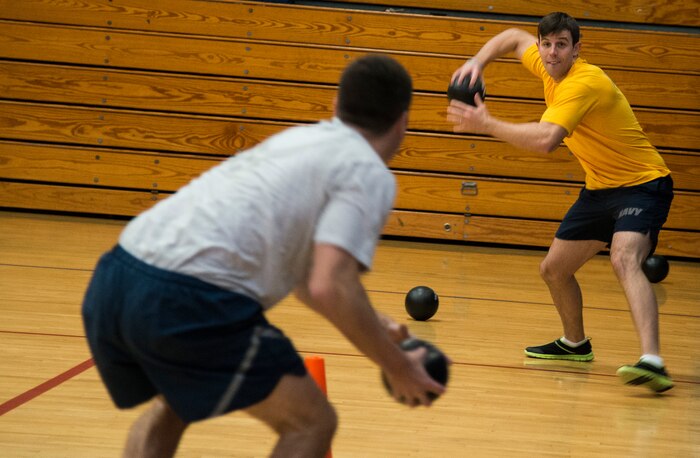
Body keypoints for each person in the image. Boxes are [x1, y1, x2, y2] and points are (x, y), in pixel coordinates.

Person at [82, 54, 446, 458]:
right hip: (188, 298)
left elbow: (309, 278)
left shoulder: (301, 140)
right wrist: (397, 366)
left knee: (176, 399)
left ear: (336, 107)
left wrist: (375, 323)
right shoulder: (367, 169)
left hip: (116, 274)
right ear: (402, 122)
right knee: (312, 423)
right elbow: (330, 285)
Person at [447, 12, 674, 393]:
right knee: (554, 270)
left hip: (643, 184)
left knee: (624, 257)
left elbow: (546, 140)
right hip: (599, 188)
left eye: (561, 45)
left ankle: (652, 360)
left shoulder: (584, 82)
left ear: (576, 49)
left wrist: (486, 124)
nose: (552, 53)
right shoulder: (542, 58)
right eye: (547, 44)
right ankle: (575, 345)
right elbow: (512, 36)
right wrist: (476, 62)